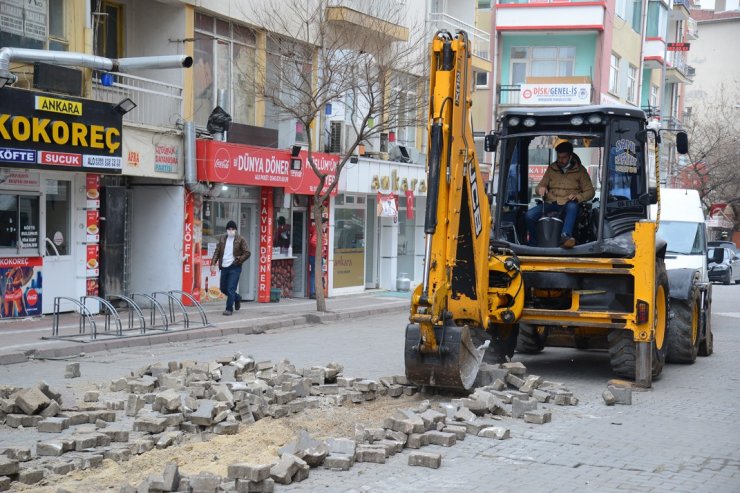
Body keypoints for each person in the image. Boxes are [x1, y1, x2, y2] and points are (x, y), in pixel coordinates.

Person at [525, 141, 595, 248]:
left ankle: (565, 237)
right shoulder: (552, 168)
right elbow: (539, 187)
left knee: (573, 206)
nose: (560, 160)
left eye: (564, 157)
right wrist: (540, 189)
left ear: (570, 156)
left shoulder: (580, 171)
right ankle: (534, 243)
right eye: (558, 157)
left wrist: (578, 197)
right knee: (529, 216)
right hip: (551, 202)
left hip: (569, 203)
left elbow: (590, 192)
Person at [210, 220, 250, 315]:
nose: (230, 230)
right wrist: (213, 263)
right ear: (226, 230)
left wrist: (239, 260)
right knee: (223, 288)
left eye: (232, 229)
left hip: (234, 266)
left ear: (235, 230)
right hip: (224, 266)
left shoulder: (240, 239)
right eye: (229, 229)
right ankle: (237, 298)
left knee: (230, 288)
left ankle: (229, 309)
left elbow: (247, 252)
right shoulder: (222, 239)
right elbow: (217, 251)